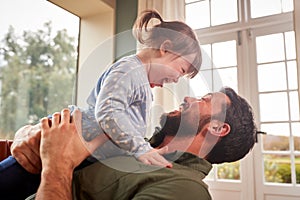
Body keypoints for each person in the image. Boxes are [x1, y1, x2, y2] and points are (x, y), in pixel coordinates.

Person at [14, 87, 256, 200]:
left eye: (204, 100)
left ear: (216, 128)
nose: (187, 98)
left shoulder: (187, 191)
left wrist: (57, 165)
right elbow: (57, 133)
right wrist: (26, 135)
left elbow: (58, 156)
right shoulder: (130, 142)